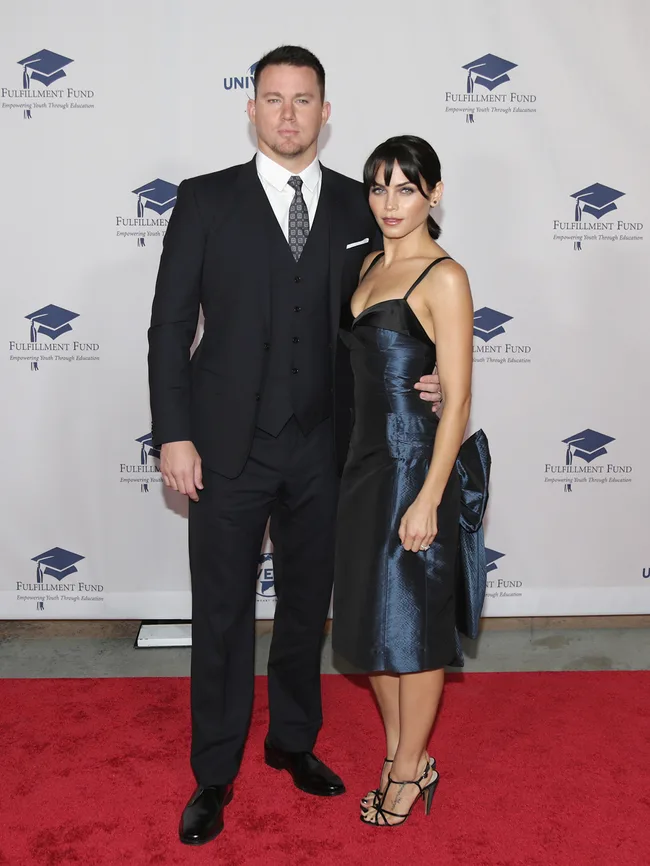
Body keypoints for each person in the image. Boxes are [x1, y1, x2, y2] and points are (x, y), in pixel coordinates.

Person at [148, 47, 443, 847]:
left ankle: (292, 742)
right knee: (221, 616)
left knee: (307, 607)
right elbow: (171, 326)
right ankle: (214, 772)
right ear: (250, 110)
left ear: (324, 111)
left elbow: (409, 300)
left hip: (329, 449)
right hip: (224, 449)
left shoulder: (362, 206)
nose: (287, 114)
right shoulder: (205, 201)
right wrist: (173, 432)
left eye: (302, 100)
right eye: (272, 100)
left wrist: (432, 376)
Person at [332, 135, 475, 827]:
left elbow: (459, 399)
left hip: (414, 468)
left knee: (412, 632)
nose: (390, 203)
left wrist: (428, 498)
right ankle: (398, 752)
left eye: (407, 189)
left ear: (434, 194)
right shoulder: (365, 265)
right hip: (362, 470)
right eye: (380, 187)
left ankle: (413, 771)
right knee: (372, 628)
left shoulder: (444, 277)